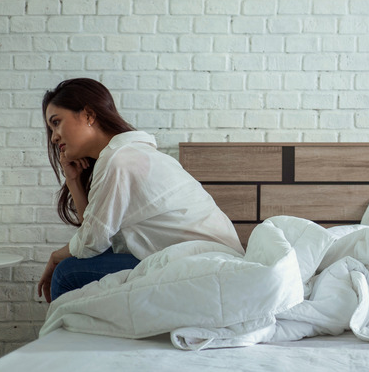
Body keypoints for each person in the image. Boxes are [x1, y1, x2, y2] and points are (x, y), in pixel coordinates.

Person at [38, 78, 244, 303]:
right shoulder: (127, 153)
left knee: (66, 273)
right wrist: (74, 182)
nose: (54, 136)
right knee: (78, 263)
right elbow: (95, 234)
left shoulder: (120, 160)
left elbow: (90, 243)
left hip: (204, 264)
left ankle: (66, 338)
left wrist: (55, 257)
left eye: (56, 123)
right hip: (204, 257)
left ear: (88, 115)